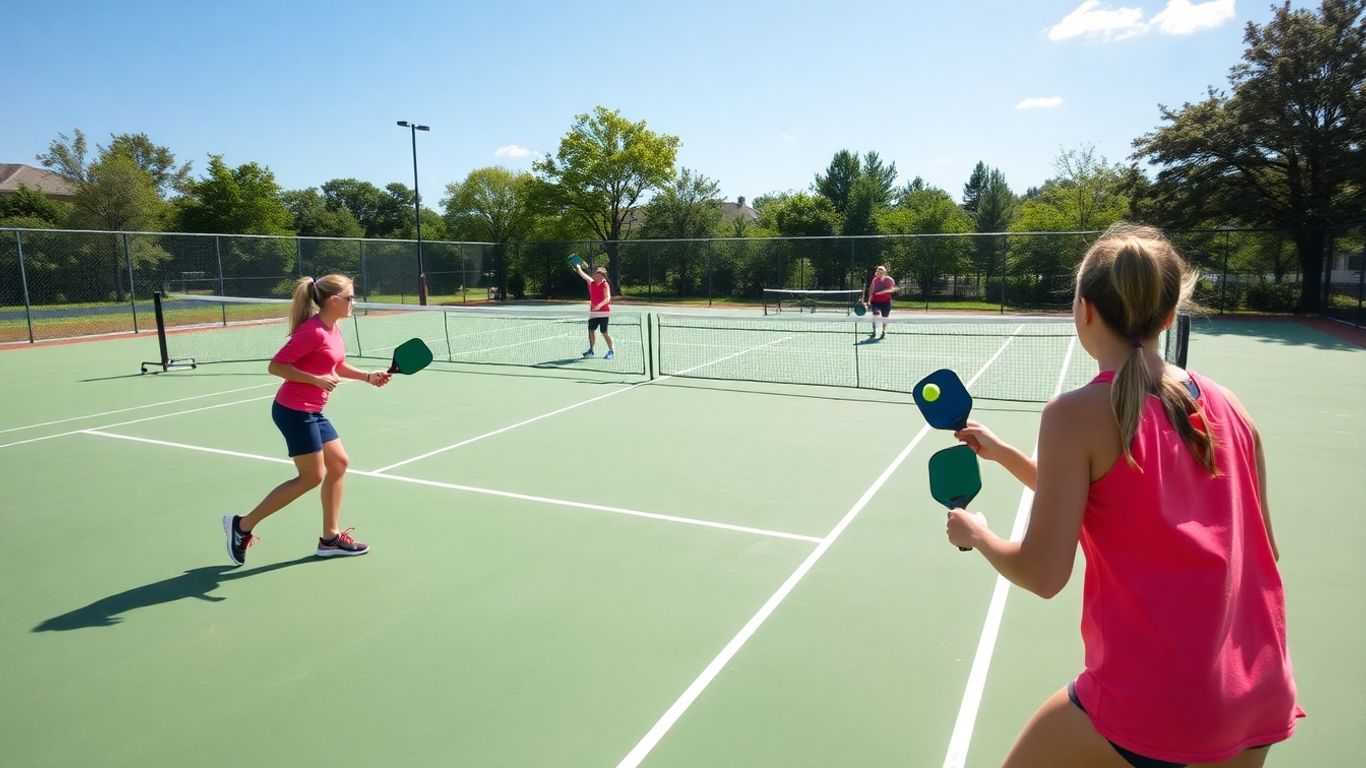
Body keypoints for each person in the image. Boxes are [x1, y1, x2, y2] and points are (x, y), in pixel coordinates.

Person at [945, 223, 1302, 767]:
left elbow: (1043, 575)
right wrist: (1004, 454)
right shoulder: (1231, 405)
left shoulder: (1073, 416)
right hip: (1257, 696)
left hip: (1158, 703)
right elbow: (1126, 499)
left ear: (1083, 310)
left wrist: (979, 534)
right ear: (1168, 316)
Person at [222, 275, 391, 566]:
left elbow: (335, 364)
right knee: (312, 477)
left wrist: (367, 377)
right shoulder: (311, 331)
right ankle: (242, 526)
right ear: (333, 300)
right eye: (350, 298)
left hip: (313, 410)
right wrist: (315, 379)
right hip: (294, 411)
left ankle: (329, 539)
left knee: (339, 464)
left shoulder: (333, 328)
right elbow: (276, 366)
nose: (354, 302)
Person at [574, 262, 615, 360]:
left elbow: (607, 298)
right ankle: (591, 350)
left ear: (602, 276)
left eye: (599, 274)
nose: (596, 275)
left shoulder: (605, 285)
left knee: (604, 332)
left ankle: (611, 351)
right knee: (591, 330)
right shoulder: (591, 282)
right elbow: (583, 275)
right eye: (596, 273)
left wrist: (599, 305)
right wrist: (578, 268)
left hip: (604, 312)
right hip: (593, 313)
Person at [866, 265, 896, 339]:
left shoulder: (890, 280)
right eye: (878, 272)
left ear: (885, 272)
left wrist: (882, 292)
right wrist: (869, 300)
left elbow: (892, 289)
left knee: (885, 318)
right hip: (875, 302)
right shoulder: (875, 280)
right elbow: (871, 290)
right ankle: (874, 330)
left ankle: (883, 331)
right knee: (875, 316)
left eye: (881, 272)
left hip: (886, 302)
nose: (879, 273)